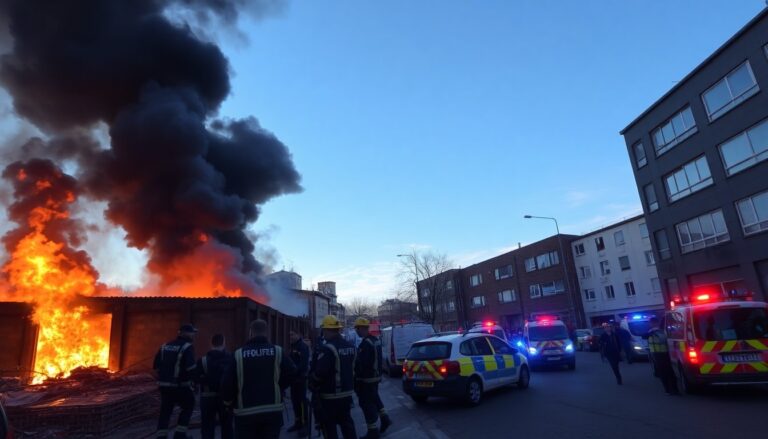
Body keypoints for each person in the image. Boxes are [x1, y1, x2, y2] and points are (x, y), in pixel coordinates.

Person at [220, 320, 297, 439]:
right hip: (272, 410)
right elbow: (292, 373)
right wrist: (278, 386)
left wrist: (228, 403)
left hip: (245, 412)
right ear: (267, 333)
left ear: (250, 333)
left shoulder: (238, 354)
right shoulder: (277, 351)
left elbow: (227, 383)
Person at [310, 315, 357, 439]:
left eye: (324, 330)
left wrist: (312, 382)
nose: (323, 334)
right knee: (347, 424)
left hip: (330, 395)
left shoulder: (328, 348)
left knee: (329, 427)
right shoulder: (350, 346)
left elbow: (320, 372)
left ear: (327, 330)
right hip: (347, 393)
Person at [154, 324, 198, 439]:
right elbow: (191, 369)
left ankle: (161, 437)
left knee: (165, 411)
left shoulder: (165, 346)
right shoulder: (187, 347)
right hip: (179, 386)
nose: (194, 335)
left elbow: (156, 366)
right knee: (189, 405)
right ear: (186, 333)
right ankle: (180, 435)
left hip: (164, 386)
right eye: (192, 333)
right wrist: (195, 382)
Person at [353, 318, 392, 439]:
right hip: (375, 377)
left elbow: (362, 364)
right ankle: (385, 418)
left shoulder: (365, 344)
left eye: (357, 329)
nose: (356, 331)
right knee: (375, 398)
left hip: (366, 379)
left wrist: (356, 377)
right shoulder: (375, 340)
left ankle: (372, 432)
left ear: (361, 328)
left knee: (366, 404)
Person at [196, 334, 234, 439]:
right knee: (227, 427)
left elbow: (196, 379)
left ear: (211, 344)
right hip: (226, 398)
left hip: (207, 398)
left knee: (207, 427)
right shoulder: (231, 359)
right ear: (223, 343)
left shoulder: (202, 361)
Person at [645, 317, 678, 395]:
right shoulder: (663, 330)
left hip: (657, 354)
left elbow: (645, 337)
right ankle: (675, 389)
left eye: (650, 323)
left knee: (663, 373)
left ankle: (668, 390)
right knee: (670, 372)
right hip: (666, 353)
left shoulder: (651, 332)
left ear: (652, 323)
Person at [287, 330, 310, 437]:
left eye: (293, 334)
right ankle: (297, 422)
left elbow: (303, 364)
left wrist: (294, 371)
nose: (290, 336)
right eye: (290, 335)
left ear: (299, 334)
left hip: (301, 379)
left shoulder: (302, 347)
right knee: (294, 401)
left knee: (302, 402)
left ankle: (305, 425)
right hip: (293, 380)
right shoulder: (293, 346)